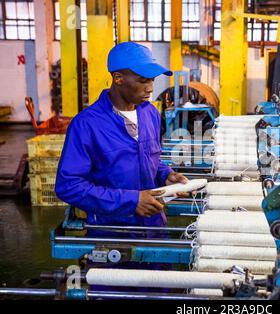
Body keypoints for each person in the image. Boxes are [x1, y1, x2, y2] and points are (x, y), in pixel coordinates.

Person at [55, 42, 188, 236]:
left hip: (155, 227)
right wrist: (131, 201)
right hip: (112, 232)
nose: (150, 88)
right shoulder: (86, 125)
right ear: (118, 78)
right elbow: (69, 186)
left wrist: (165, 175)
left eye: (152, 80)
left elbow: (150, 158)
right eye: (143, 80)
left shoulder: (150, 113)